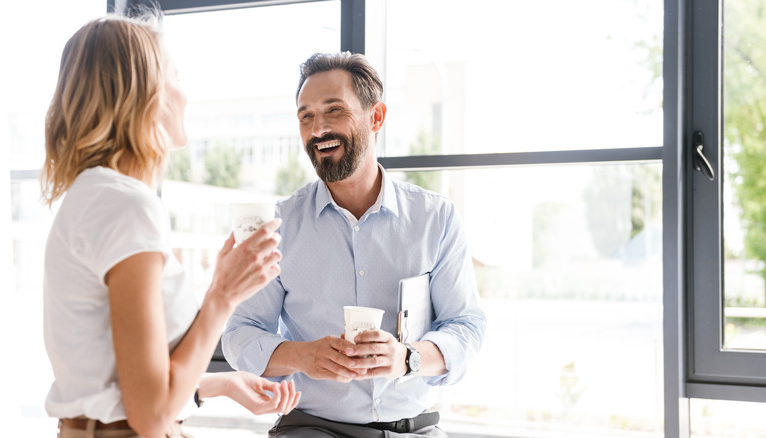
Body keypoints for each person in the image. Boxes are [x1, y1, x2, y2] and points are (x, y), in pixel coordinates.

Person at [41, 13, 300, 438]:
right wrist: (223, 294)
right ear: (143, 94)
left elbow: (126, 382)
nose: (185, 94)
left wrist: (221, 384)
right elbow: (150, 415)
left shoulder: (94, 196)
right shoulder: (126, 205)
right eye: (174, 76)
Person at [222, 51, 486, 437]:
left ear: (376, 117)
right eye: (306, 116)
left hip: (411, 430)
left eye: (333, 111)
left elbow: (466, 326)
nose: (317, 129)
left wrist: (407, 358)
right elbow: (239, 333)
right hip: (311, 427)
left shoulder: (436, 218)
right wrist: (304, 356)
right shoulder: (279, 225)